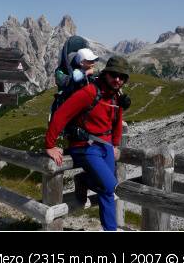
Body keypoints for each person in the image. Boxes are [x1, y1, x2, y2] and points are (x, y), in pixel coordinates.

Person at [45, 56, 130, 231]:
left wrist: (114, 144)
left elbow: (117, 120)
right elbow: (62, 114)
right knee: (109, 185)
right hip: (85, 146)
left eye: (121, 77)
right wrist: (49, 145)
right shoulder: (90, 92)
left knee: (107, 190)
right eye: (114, 75)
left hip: (105, 146)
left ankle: (110, 229)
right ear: (106, 74)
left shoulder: (116, 96)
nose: (117, 80)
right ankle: (83, 180)